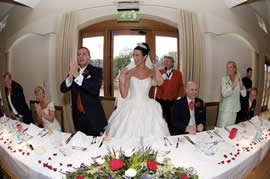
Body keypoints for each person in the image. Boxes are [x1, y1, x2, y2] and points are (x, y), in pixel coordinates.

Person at [105, 43, 170, 138]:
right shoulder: (129, 72)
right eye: (133, 55)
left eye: (137, 55)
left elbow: (160, 82)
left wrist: (155, 67)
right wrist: (121, 78)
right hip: (131, 107)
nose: (134, 58)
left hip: (148, 108)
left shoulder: (151, 72)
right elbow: (124, 95)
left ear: (145, 57)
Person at [60, 47, 107, 136]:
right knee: (80, 144)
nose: (81, 56)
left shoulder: (96, 70)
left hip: (93, 117)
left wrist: (77, 75)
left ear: (89, 57)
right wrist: (70, 76)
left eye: (84, 54)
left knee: (94, 145)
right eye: (78, 54)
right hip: (78, 117)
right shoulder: (74, 71)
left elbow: (94, 90)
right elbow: (62, 89)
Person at [155, 56, 184, 133]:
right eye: (164, 61)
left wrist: (179, 96)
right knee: (158, 118)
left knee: (171, 119)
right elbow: (155, 84)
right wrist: (160, 80)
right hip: (160, 99)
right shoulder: (159, 72)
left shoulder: (178, 73)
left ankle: (171, 135)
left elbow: (181, 86)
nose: (165, 63)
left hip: (172, 101)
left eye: (167, 61)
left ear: (172, 63)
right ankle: (159, 133)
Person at [216, 61, 246, 128]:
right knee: (221, 128)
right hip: (225, 110)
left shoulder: (238, 80)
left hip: (234, 110)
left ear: (235, 69)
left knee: (229, 129)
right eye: (227, 67)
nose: (228, 69)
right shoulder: (224, 79)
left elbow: (244, 94)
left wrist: (240, 81)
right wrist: (234, 83)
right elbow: (224, 93)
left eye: (230, 67)